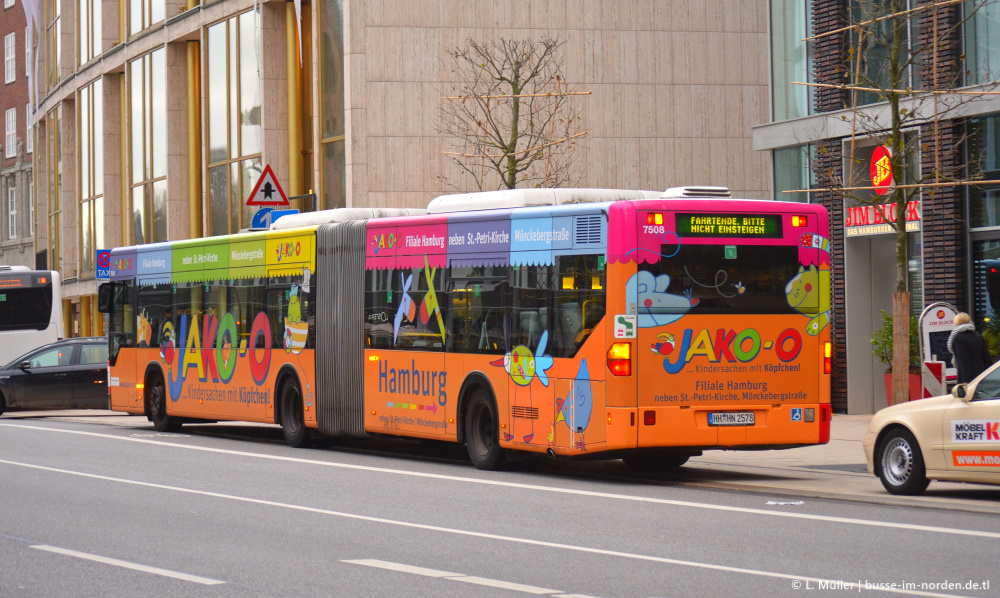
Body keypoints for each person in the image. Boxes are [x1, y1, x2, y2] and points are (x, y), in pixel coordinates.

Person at [947, 312, 992, 384]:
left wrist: (965, 380)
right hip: (981, 375)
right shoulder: (979, 337)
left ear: (957, 323)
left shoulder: (959, 338)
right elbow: (986, 358)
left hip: (968, 377)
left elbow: (963, 360)